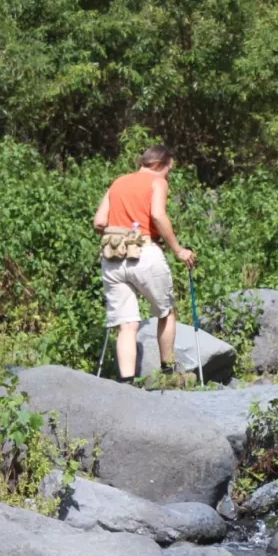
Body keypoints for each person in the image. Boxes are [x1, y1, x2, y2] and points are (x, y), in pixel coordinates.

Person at [93, 144, 196, 383]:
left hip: (112, 257)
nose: (168, 175)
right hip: (145, 252)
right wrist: (179, 250)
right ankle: (167, 371)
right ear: (160, 164)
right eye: (169, 169)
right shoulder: (157, 182)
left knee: (127, 324)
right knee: (166, 311)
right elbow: (158, 215)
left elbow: (99, 222)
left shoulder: (118, 182)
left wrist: (120, 233)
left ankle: (127, 381)